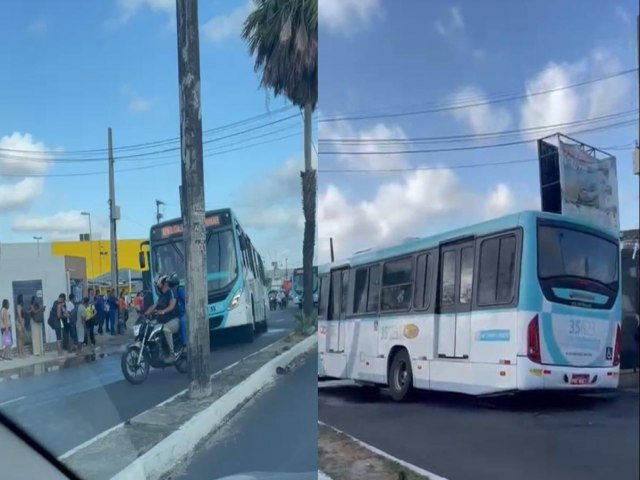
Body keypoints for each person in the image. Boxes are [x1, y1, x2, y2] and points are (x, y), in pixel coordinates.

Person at [145, 274, 180, 362]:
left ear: (163, 283)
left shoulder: (170, 292)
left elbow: (172, 306)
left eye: (158, 283)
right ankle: (160, 351)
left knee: (166, 329)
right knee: (152, 330)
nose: (157, 285)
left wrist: (163, 311)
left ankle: (172, 354)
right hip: (164, 321)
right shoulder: (162, 296)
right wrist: (146, 313)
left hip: (174, 320)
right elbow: (154, 306)